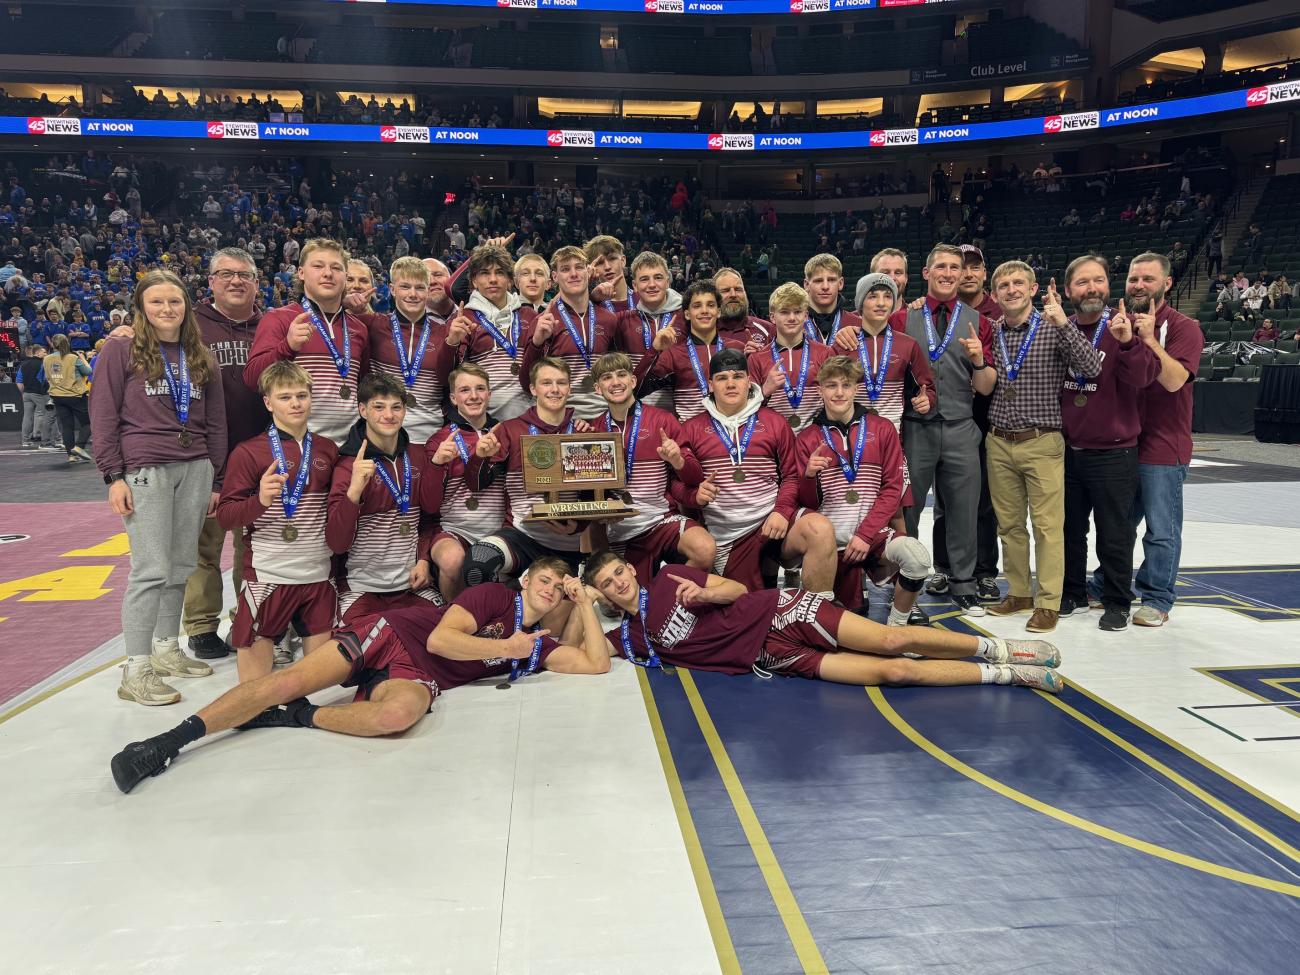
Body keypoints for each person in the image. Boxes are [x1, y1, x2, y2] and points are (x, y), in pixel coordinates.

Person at [109, 560, 612, 794]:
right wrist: (506, 645)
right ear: (526, 581)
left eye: (558, 588)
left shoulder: (538, 646)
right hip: (391, 632)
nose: (550, 589)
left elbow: (596, 663)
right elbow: (441, 639)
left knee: (396, 717)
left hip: (416, 673)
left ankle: (296, 717)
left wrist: (585, 600)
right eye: (543, 580)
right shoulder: (496, 598)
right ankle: (167, 742)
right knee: (288, 677)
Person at [583, 551, 1061, 690]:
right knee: (894, 671)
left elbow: (737, 590)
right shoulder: (630, 636)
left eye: (619, 572)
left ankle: (997, 647)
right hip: (772, 656)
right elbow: (591, 657)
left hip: (781, 611)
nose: (618, 583)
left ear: (630, 569)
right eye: (606, 583)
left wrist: (707, 595)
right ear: (603, 594)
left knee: (888, 641)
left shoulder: (668, 578)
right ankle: (1004, 674)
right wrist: (577, 600)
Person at [89, 269, 227, 706]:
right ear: (141, 308)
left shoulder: (200, 355)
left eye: (175, 302)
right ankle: (136, 668)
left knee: (182, 565)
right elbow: (104, 414)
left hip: (196, 466)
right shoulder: (121, 348)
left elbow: (216, 421)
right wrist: (113, 476)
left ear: (187, 307)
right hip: (146, 467)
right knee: (150, 569)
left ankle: (168, 650)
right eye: (157, 302)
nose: (167, 309)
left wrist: (216, 478)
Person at [982, 264, 1102, 634]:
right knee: (1010, 525)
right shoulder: (991, 332)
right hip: (1000, 439)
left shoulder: (1052, 327)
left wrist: (1064, 322)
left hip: (1042, 439)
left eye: (1018, 283)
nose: (1011, 289)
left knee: (1048, 527)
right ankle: (1019, 592)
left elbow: (1092, 367)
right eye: (1003, 285)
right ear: (995, 293)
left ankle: (1048, 602)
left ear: (1033, 288)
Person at [1095, 253, 1202, 627]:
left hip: (1163, 444)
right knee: (1118, 524)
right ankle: (1108, 581)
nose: (1139, 285)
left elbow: (1174, 381)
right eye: (1134, 278)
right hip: (1121, 440)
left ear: (1167, 284)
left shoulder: (1184, 327)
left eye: (1148, 279)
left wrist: (1148, 341)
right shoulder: (1113, 322)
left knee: (1160, 528)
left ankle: (1157, 596)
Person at [679, 348, 838, 594]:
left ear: (749, 381)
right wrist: (694, 496)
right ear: (710, 384)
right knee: (746, 609)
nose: (731, 384)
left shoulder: (774, 422)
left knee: (820, 528)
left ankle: (818, 616)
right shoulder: (692, 428)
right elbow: (677, 486)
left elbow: (790, 476)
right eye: (722, 378)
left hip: (773, 521)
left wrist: (782, 512)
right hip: (729, 536)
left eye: (738, 376)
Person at [218, 360, 339, 682]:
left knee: (317, 687)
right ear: (268, 402)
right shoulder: (249, 452)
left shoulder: (328, 449)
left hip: (318, 576)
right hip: (269, 574)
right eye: (285, 397)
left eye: (302, 395)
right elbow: (226, 518)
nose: (296, 403)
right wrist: (260, 500)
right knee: (254, 690)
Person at [891, 244, 996, 613]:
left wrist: (979, 361)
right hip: (914, 428)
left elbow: (985, 386)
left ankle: (963, 581)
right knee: (907, 510)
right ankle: (906, 579)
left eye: (955, 267)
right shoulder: (902, 318)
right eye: (941, 266)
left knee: (964, 509)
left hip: (960, 426)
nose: (949, 273)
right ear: (926, 272)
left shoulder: (978, 320)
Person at [1059, 256, 1160, 631]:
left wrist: (1131, 343)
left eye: (1098, 281)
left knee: (1114, 532)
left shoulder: (1125, 327)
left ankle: (1117, 600)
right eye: (1082, 282)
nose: (1091, 289)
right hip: (1068, 449)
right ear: (1069, 290)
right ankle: (1072, 592)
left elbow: (1143, 380)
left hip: (1114, 451)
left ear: (1108, 286)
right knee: (1069, 530)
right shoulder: (1062, 328)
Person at [795, 356, 932, 623]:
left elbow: (893, 488)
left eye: (846, 385)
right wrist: (809, 475)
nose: (839, 392)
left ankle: (898, 628)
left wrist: (866, 535)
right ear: (820, 389)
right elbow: (805, 502)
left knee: (916, 559)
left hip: (872, 536)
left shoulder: (882, 429)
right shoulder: (807, 438)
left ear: (856, 388)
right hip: (829, 545)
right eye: (831, 385)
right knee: (845, 622)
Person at [184, 247, 268, 660]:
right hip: (208, 452)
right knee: (206, 544)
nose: (236, 281)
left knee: (254, 542)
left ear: (257, 282)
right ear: (211, 281)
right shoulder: (191, 323)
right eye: (226, 274)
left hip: (259, 452)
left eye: (245, 275)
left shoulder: (269, 325)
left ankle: (246, 617)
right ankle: (201, 626)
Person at [463, 357, 590, 584]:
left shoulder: (585, 432)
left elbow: (598, 492)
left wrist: (578, 525)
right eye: (546, 383)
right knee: (478, 563)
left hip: (572, 544)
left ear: (570, 388)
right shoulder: (511, 430)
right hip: (522, 537)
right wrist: (479, 457)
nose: (554, 389)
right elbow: (476, 484)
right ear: (533, 388)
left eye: (561, 383)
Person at [589, 351, 714, 581]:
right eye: (607, 377)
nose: (615, 382)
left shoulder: (663, 421)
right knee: (625, 602)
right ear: (597, 388)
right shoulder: (592, 430)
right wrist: (601, 504)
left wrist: (678, 460)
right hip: (619, 530)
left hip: (661, 519)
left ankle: (667, 591)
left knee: (704, 549)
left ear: (633, 381)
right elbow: (585, 492)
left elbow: (695, 477)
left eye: (621, 374)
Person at [329, 372, 441, 624]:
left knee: (438, 638)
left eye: (396, 407)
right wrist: (353, 492)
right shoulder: (348, 466)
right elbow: (336, 543)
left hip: (411, 586)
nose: (389, 415)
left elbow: (429, 519)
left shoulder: (418, 456)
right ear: (362, 410)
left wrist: (423, 559)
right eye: (378, 407)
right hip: (361, 588)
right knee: (362, 650)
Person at [246, 238, 371, 445]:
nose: (328, 273)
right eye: (318, 266)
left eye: (336, 268)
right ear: (301, 273)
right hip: (297, 445)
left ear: (345, 277)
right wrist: (287, 347)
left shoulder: (358, 328)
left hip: (350, 445)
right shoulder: (279, 318)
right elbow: (252, 379)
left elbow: (362, 385)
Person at [423, 362, 506, 601]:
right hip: (456, 530)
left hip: (499, 530)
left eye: (480, 389)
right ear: (453, 398)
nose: (473, 396)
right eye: (465, 390)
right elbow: (428, 504)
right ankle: (452, 624)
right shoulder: (440, 439)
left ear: (489, 395)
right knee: (452, 561)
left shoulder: (506, 433)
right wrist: (437, 464)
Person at [519, 245, 619, 421]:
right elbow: (527, 385)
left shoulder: (609, 319)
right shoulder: (543, 321)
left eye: (579, 267)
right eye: (565, 269)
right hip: (560, 419)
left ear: (588, 272)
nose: (574, 274)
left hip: (605, 419)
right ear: (555, 277)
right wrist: (536, 343)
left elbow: (619, 370)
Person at [440, 243, 533, 422]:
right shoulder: (463, 319)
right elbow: (445, 378)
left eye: (499, 272)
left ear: (510, 280)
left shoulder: (529, 316)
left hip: (529, 419)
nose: (493, 279)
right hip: (483, 421)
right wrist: (451, 343)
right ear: (474, 280)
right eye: (485, 273)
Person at [635, 279, 747, 421]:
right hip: (690, 436)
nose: (704, 311)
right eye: (697, 306)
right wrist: (654, 350)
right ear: (687, 314)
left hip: (733, 434)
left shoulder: (738, 348)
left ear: (718, 312)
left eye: (710, 305)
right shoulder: (674, 354)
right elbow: (636, 390)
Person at [365, 256, 445, 444]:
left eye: (419, 287)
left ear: (427, 290)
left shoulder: (445, 332)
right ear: (392, 289)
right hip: (382, 433)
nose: (413, 294)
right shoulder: (373, 324)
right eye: (405, 287)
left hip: (431, 433)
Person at [748, 282, 833, 432]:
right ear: (772, 317)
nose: (792, 318)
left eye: (798, 311)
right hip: (772, 438)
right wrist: (765, 391)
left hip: (816, 437)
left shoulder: (825, 353)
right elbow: (745, 408)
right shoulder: (757, 358)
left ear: (806, 316)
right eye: (785, 312)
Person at [615, 251, 683, 411]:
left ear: (668, 281)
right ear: (635, 286)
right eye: (644, 279)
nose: (652, 284)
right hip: (633, 414)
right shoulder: (622, 320)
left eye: (658, 278)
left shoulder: (687, 318)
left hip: (681, 416)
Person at [42, 333, 93, 464]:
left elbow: (45, 376)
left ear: (53, 344)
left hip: (57, 396)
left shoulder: (46, 359)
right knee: (89, 423)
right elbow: (88, 372)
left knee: (67, 426)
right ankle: (79, 447)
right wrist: (82, 358)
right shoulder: (72, 358)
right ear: (67, 344)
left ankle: (71, 455)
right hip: (74, 395)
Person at [802, 253, 861, 344]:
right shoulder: (791, 324)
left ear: (840, 283)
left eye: (831, 280)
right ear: (806, 285)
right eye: (818, 281)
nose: (825, 287)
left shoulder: (857, 324)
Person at [712, 268, 772, 349]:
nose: (733, 294)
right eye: (725, 290)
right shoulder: (704, 331)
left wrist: (759, 358)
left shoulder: (768, 329)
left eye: (738, 289)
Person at [16, 343, 54, 449]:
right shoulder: (43, 364)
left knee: (27, 417)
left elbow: (19, 381)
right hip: (39, 393)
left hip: (27, 394)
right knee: (49, 414)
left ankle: (25, 440)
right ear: (37, 353)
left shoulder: (23, 364)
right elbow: (45, 379)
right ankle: (52, 440)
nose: (46, 354)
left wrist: (24, 392)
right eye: (44, 352)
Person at [586, 235, 634, 315]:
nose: (607, 267)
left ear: (623, 261)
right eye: (600, 263)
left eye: (612, 259)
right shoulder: (589, 305)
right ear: (592, 267)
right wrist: (583, 280)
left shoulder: (643, 298)